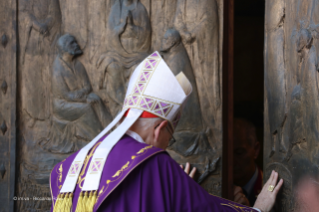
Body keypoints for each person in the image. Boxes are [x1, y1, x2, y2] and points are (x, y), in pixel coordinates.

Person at [50, 52, 282, 212]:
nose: (165, 146)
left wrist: (175, 188)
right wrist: (258, 208)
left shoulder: (65, 170)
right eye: (169, 138)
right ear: (161, 128)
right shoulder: (155, 165)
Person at [39, 34, 112, 153]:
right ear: (64, 48)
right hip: (62, 105)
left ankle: (111, 130)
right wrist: (84, 98)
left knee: (96, 99)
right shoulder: (57, 68)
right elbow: (65, 95)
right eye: (72, 43)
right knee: (87, 108)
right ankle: (100, 139)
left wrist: (84, 95)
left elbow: (87, 87)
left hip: (77, 98)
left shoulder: (78, 65)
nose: (77, 45)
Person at [232, 118, 263, 207]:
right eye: (227, 155)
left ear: (256, 150)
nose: (232, 162)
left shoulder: (269, 188)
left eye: (239, 153)